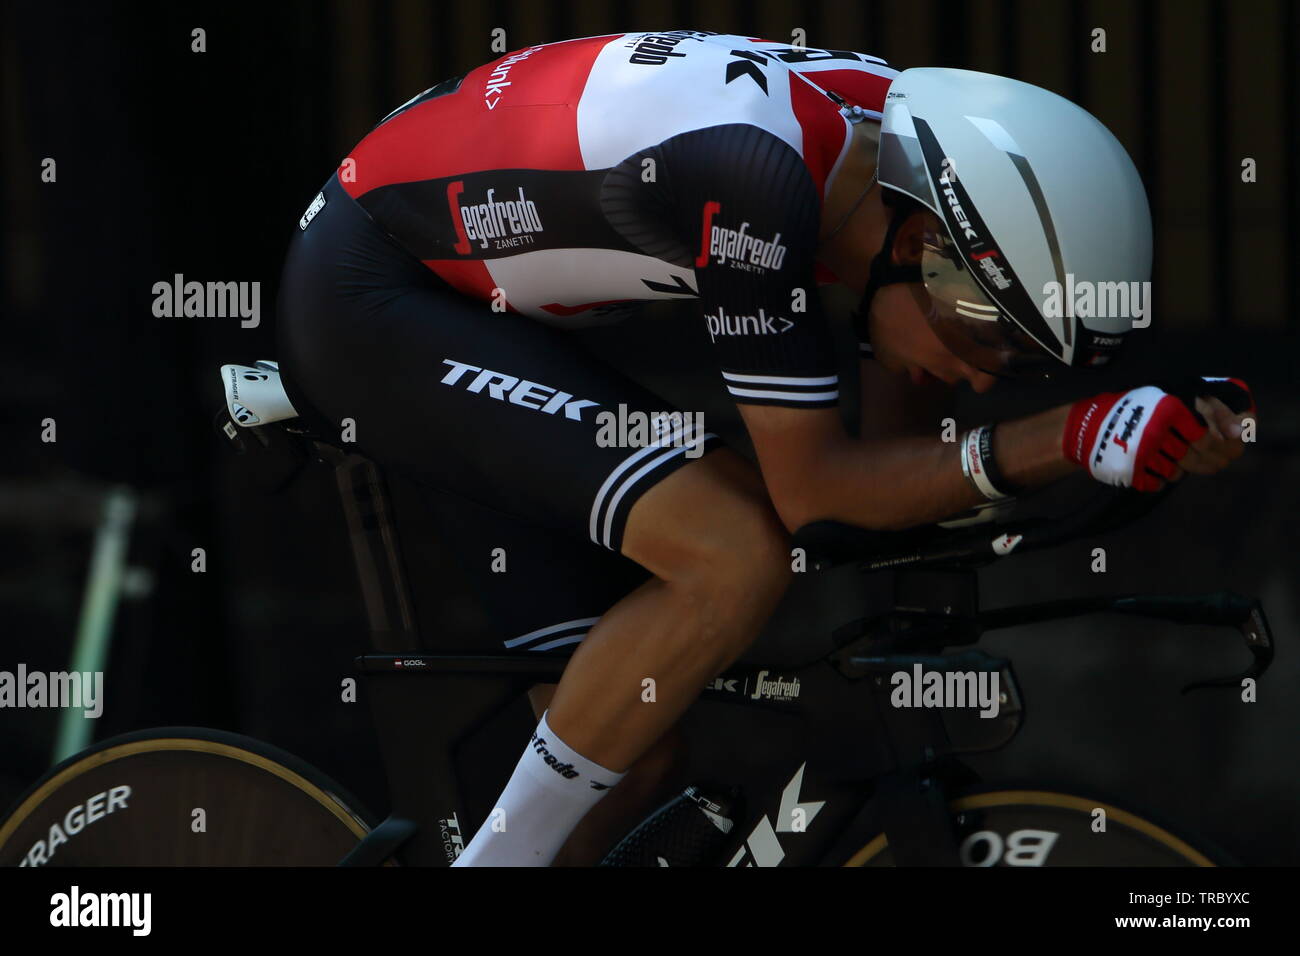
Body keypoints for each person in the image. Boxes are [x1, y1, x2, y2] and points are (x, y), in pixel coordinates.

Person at [274, 30, 1254, 866]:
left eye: (1021, 357)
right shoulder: (755, 184)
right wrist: (1071, 433)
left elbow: (895, 488)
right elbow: (820, 497)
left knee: (637, 749)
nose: (986, 375)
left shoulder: (898, 170)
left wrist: (1131, 437)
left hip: (488, 308)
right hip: (376, 295)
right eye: (986, 331)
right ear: (918, 246)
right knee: (730, 549)